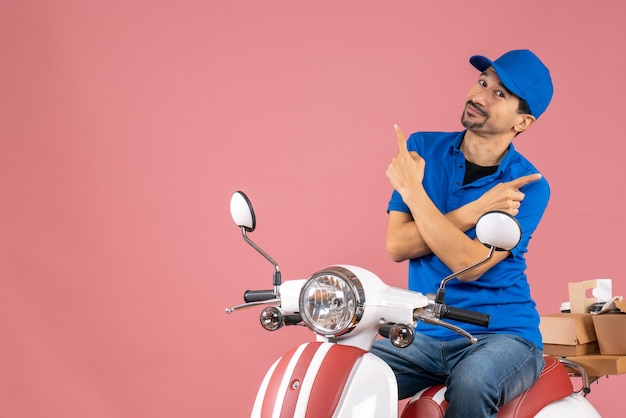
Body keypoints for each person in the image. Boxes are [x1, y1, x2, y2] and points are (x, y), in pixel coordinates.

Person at [370, 49, 554, 417]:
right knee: (352, 372)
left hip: (501, 336)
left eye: (500, 94)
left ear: (523, 123)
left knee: (473, 382)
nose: (480, 95)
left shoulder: (527, 186)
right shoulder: (423, 148)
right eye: (483, 82)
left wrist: (413, 192)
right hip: (424, 331)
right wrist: (475, 210)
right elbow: (396, 245)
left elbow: (468, 264)